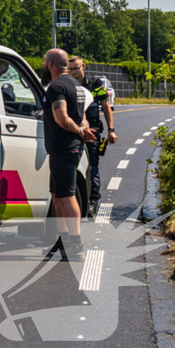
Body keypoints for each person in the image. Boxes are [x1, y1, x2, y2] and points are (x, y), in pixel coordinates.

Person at [41, 48, 96, 259]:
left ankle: (76, 244)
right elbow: (81, 116)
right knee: (57, 195)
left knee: (67, 195)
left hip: (64, 147)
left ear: (50, 65)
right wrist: (83, 129)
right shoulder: (77, 87)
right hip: (65, 147)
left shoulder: (56, 87)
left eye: (45, 63)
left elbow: (62, 118)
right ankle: (63, 240)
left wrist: (81, 131)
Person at [67, 56, 117, 217]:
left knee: (92, 167)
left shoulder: (95, 84)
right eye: (71, 69)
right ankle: (77, 200)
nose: (74, 72)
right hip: (74, 131)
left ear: (84, 67)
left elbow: (106, 106)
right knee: (72, 166)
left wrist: (111, 129)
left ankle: (93, 202)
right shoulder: (68, 85)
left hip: (93, 132)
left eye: (77, 68)